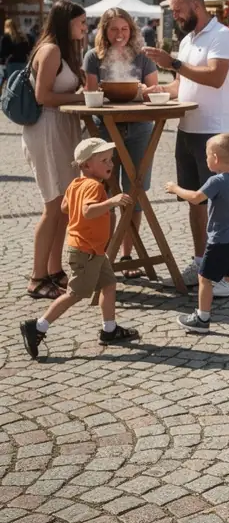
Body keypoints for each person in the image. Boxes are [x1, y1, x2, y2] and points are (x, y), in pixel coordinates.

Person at [144, 0, 229, 296]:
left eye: (178, 10)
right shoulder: (187, 40)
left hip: (215, 131)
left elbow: (214, 77)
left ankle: (224, 275)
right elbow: (180, 84)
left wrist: (173, 63)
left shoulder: (221, 35)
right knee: (194, 201)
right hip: (187, 129)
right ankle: (202, 264)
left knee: (218, 206)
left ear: (196, 5)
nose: (175, 16)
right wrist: (158, 92)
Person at [20, 138, 140, 358]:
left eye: (110, 159)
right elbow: (87, 211)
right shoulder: (94, 186)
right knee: (75, 294)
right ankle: (38, 327)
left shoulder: (76, 184)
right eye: (103, 160)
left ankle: (109, 330)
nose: (110, 164)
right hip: (86, 252)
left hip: (92, 250)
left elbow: (66, 207)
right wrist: (111, 203)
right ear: (86, 165)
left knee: (109, 285)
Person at [84, 8, 160, 273]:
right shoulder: (93, 57)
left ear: (132, 30)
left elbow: (154, 89)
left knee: (134, 192)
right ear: (105, 31)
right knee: (104, 193)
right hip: (104, 130)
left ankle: (128, 257)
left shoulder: (142, 57)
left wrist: (143, 90)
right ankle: (104, 256)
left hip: (139, 130)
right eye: (114, 29)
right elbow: (91, 92)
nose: (119, 35)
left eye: (124, 29)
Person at [165, 133, 229, 332]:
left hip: (220, 240)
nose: (206, 159)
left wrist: (175, 188)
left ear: (216, 158)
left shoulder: (216, 181)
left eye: (207, 155)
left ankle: (202, 319)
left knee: (204, 278)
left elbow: (195, 198)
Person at [22, 0, 87, 301]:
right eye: (81, 23)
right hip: (48, 130)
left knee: (63, 205)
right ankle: (37, 278)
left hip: (62, 128)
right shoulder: (51, 50)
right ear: (66, 22)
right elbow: (42, 95)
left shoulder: (64, 50)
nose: (85, 28)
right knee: (52, 205)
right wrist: (80, 96)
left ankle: (54, 270)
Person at [1, 18, 31, 90]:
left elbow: (3, 52)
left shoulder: (6, 37)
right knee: (22, 84)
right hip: (23, 62)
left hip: (12, 63)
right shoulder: (23, 36)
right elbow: (27, 50)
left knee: (12, 85)